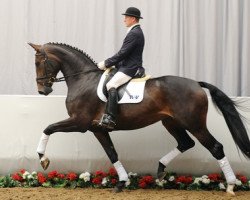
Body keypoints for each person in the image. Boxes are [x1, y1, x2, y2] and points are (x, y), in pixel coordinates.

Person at [97, 7, 145, 130]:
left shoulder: (134, 33)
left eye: (126, 17)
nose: (124, 20)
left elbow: (122, 53)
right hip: (127, 65)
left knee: (110, 85)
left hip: (130, 68)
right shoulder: (134, 31)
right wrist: (115, 65)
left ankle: (110, 117)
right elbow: (126, 54)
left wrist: (106, 63)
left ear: (133, 19)